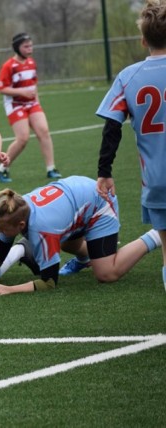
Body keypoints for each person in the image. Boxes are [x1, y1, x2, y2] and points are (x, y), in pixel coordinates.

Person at [0, 176, 161, 296]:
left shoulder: (42, 229)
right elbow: (0, 249)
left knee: (106, 273)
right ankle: (84, 259)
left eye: (2, 229)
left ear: (21, 226)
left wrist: (9, 289)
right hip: (79, 197)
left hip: (99, 205)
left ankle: (157, 236)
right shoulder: (16, 209)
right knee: (64, 242)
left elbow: (49, 282)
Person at [93, 0, 166, 291]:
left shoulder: (128, 76)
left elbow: (112, 128)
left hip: (157, 181)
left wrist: (104, 171)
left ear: (143, 39)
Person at [0, 32, 61, 183]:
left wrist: (37, 102)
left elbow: (33, 84)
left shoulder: (31, 63)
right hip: (15, 105)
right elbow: (2, 88)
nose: (30, 49)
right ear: (17, 48)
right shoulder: (8, 66)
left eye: (31, 46)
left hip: (32, 104)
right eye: (26, 46)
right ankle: (2, 168)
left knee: (43, 131)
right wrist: (21, 92)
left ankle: (51, 169)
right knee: (23, 138)